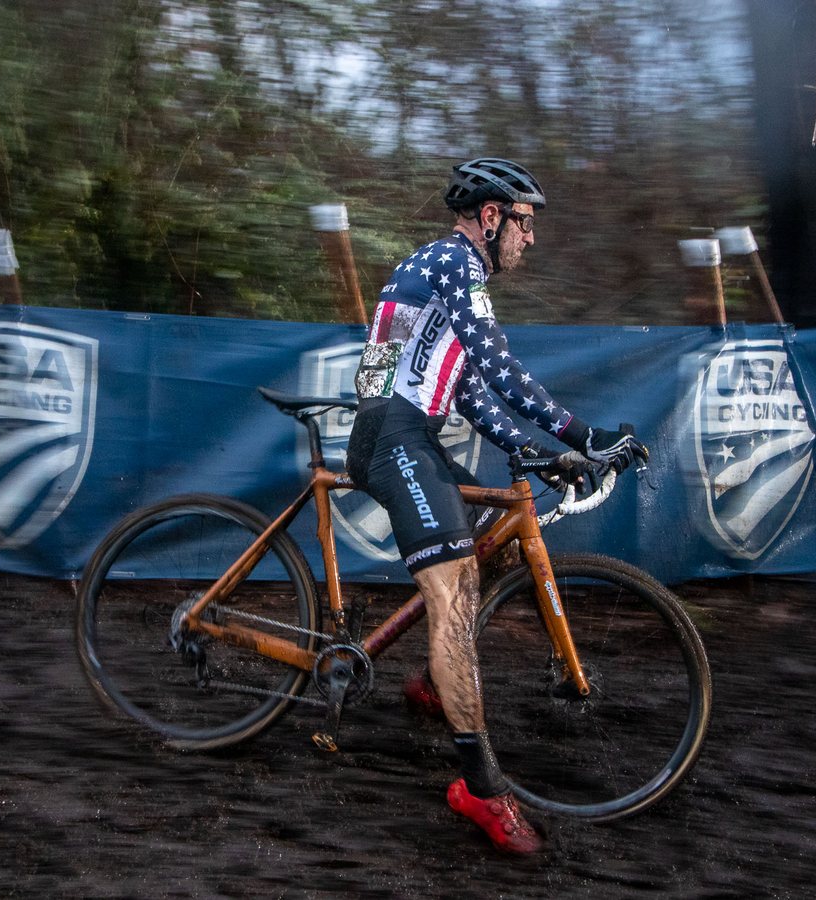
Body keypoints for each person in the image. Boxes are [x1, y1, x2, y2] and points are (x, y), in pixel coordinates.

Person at [345, 157, 647, 853]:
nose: (529, 239)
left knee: (492, 541)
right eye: (524, 223)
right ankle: (479, 789)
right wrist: (583, 433)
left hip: (397, 427)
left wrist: (542, 453)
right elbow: (500, 368)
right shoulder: (457, 264)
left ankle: (432, 682)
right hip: (394, 436)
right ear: (490, 217)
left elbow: (472, 391)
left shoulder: (432, 265)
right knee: (452, 595)